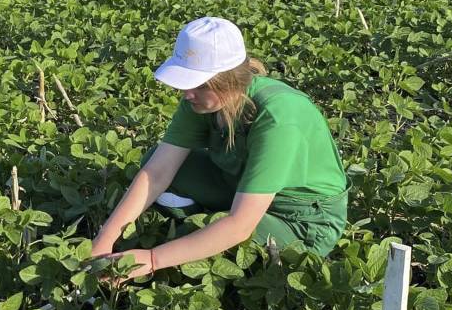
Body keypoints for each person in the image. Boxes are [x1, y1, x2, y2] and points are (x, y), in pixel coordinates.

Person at [90, 17, 347, 282]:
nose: (188, 93)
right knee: (155, 161)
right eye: (186, 82)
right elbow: (157, 172)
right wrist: (104, 238)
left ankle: (201, 237)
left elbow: (239, 225)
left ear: (231, 80)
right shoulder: (201, 101)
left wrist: (153, 259)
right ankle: (204, 235)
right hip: (240, 188)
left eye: (200, 85)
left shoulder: (278, 119)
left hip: (301, 218)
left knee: (222, 229)